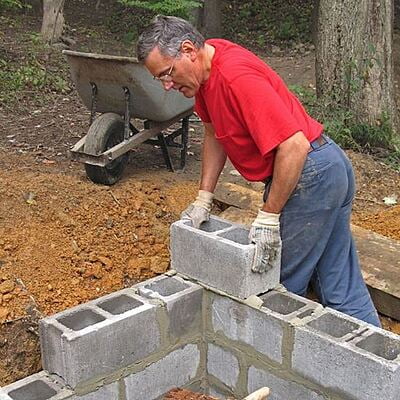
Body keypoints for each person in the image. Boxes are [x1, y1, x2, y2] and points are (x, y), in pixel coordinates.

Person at [137, 15, 381, 327]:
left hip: (310, 174)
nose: (167, 85)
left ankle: (276, 370)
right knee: (337, 282)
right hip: (325, 169)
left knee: (274, 288)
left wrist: (269, 216)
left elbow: (294, 146)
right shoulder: (205, 75)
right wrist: (204, 198)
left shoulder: (236, 77)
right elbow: (214, 134)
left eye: (167, 74)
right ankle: (384, 365)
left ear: (188, 50)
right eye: (160, 79)